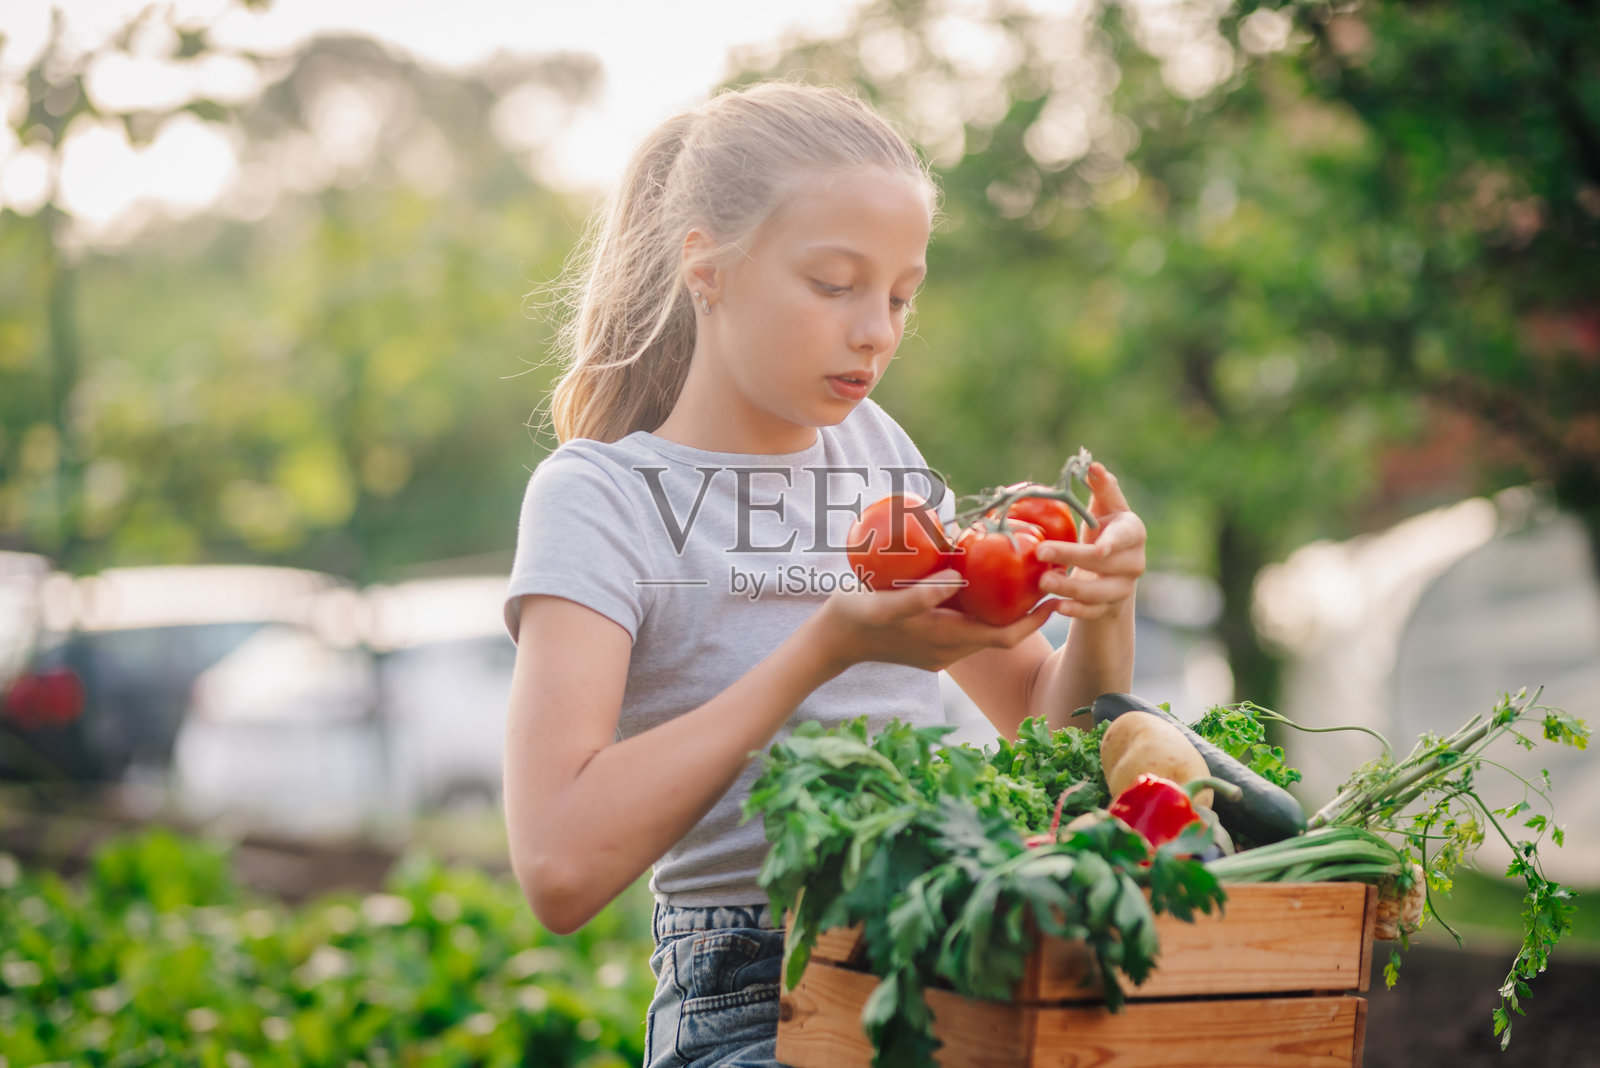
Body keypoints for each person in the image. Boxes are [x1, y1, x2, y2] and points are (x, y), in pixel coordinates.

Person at [502, 80, 1147, 1068]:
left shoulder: (875, 459)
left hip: (947, 950)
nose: (876, 332)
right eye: (835, 284)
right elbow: (557, 865)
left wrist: (1102, 612)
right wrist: (825, 650)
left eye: (899, 295)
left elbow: (1051, 734)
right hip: (748, 992)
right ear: (706, 270)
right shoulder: (600, 496)